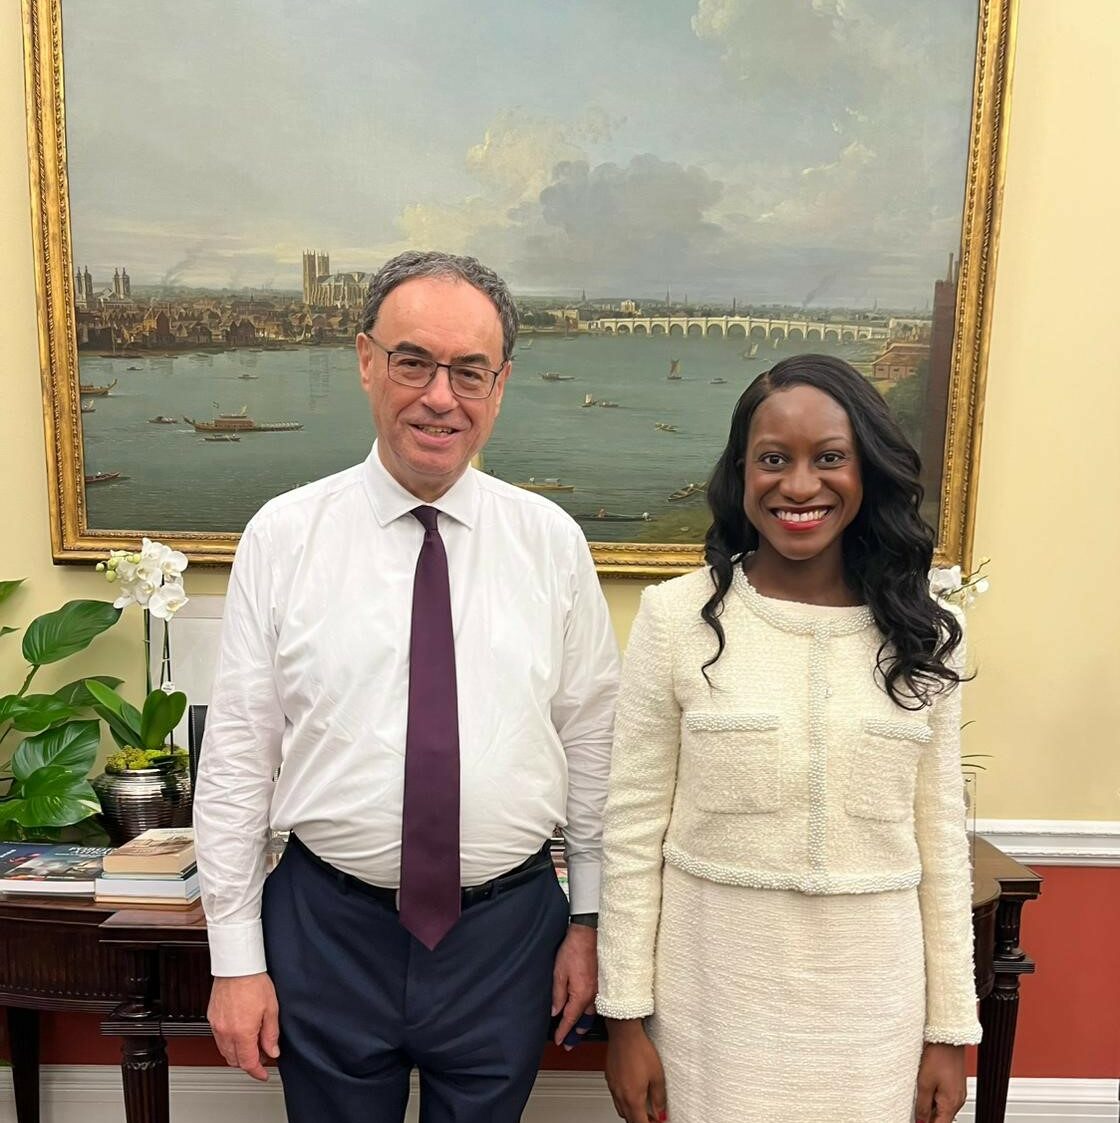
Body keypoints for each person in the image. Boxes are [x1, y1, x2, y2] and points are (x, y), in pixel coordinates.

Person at [194, 250, 619, 1123]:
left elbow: (594, 747)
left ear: (500, 385)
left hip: (508, 940)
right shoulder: (284, 536)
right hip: (326, 930)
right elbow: (239, 755)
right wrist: (234, 959)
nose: (440, 396)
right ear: (364, 362)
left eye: (469, 371)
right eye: (413, 361)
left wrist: (592, 921)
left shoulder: (551, 543)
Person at [595, 353, 979, 1123]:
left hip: (873, 1012)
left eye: (829, 458)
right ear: (742, 472)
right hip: (714, 1002)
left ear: (865, 470)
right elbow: (632, 834)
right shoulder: (677, 621)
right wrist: (624, 1018)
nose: (800, 485)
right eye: (774, 459)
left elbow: (942, 843)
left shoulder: (928, 633)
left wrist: (949, 1031)